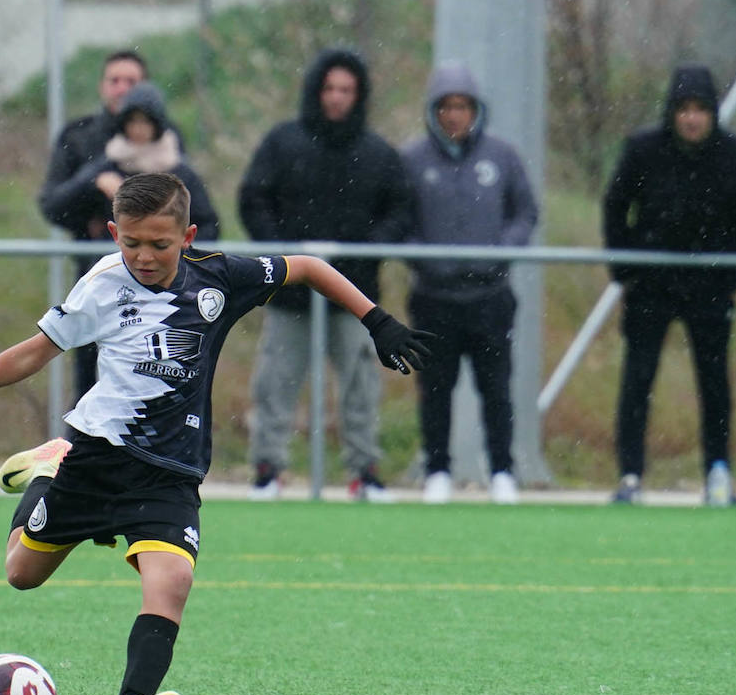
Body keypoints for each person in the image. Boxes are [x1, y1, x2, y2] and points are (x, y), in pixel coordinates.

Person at [0, 173, 433, 695]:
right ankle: (50, 467)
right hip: (97, 455)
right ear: (113, 234)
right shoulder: (101, 286)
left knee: (172, 580)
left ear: (188, 235)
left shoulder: (220, 278)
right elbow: (33, 352)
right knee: (20, 575)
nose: (144, 257)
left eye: (160, 244)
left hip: (170, 471)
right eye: (130, 243)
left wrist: (374, 319)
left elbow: (306, 265)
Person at [239, 47, 415, 501]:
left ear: (359, 96)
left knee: (361, 386)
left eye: (346, 90)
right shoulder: (283, 143)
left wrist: (370, 250)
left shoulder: (377, 153)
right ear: (317, 92)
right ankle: (267, 470)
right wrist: (279, 253)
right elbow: (254, 198)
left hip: (354, 295)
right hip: (289, 292)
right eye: (330, 89)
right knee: (276, 382)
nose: (337, 98)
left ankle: (364, 472)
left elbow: (401, 207)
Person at [603, 64, 736, 507]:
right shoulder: (643, 151)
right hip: (652, 285)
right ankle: (631, 475)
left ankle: (718, 472)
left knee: (714, 382)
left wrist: (730, 278)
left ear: (713, 113)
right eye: (684, 109)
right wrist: (626, 270)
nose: (692, 118)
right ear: (671, 112)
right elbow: (615, 207)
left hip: (709, 287)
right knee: (638, 378)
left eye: (700, 109)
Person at [400, 62, 539, 505]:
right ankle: (438, 470)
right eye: (446, 106)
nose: (454, 115)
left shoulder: (502, 157)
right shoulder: (413, 161)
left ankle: (502, 471)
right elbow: (399, 220)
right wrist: (424, 257)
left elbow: (525, 211)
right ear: (433, 110)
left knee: (496, 387)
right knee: (435, 388)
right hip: (434, 296)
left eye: (462, 106)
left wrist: (501, 250)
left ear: (476, 109)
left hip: (490, 295)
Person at [38, 50, 174, 402]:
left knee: (154, 380)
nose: (122, 89)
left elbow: (190, 209)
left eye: (132, 82)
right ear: (102, 86)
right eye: (115, 80)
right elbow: (52, 205)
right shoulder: (79, 135)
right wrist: (96, 182)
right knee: (91, 384)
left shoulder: (168, 141)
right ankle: (82, 454)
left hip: (157, 283)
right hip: (96, 278)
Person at [40, 81, 218, 243]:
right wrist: (94, 184)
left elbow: (208, 226)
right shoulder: (108, 164)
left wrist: (172, 249)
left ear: (157, 125)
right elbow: (56, 207)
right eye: (132, 121)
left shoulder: (179, 171)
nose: (138, 129)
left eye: (145, 121)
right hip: (113, 271)